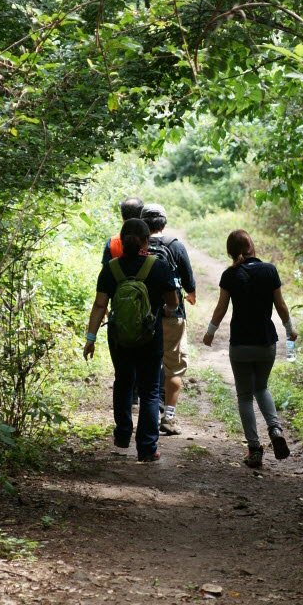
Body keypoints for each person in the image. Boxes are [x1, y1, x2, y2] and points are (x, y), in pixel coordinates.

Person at [84, 218, 178, 462]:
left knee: (124, 382)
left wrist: (91, 337)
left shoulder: (111, 269)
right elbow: (173, 302)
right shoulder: (158, 267)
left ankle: (123, 435)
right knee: (148, 390)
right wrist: (164, 309)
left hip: (119, 338)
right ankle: (147, 448)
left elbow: (99, 305)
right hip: (150, 337)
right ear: (146, 241)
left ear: (122, 240)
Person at [202, 229, 297, 468]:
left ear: (230, 252)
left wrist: (210, 332)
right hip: (266, 342)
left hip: (241, 344)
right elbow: (281, 306)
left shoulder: (229, 275)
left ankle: (254, 449)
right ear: (252, 246)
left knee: (245, 395)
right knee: (262, 387)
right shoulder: (269, 270)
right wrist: (290, 329)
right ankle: (275, 429)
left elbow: (221, 308)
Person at [140, 202, 196, 437]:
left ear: (143, 223)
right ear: (164, 223)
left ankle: (149, 416)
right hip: (172, 315)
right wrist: (190, 296)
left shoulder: (135, 245)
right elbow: (189, 285)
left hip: (141, 318)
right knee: (173, 369)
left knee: (146, 367)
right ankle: (169, 418)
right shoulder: (175, 246)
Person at [101, 196, 145, 264]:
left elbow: (105, 271)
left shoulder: (113, 242)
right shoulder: (148, 240)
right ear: (142, 216)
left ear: (122, 217)